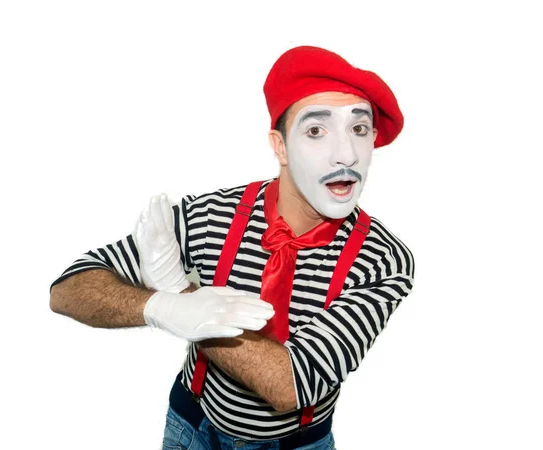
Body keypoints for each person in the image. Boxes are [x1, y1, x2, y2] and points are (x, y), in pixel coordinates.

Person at [50, 45, 415, 450]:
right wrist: (160, 309)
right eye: (316, 131)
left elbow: (291, 385)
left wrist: (178, 290)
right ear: (280, 147)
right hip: (192, 427)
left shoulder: (382, 260)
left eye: (359, 130)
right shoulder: (212, 215)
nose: (346, 154)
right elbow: (68, 289)